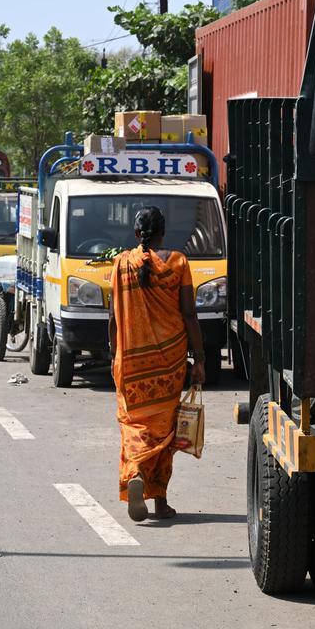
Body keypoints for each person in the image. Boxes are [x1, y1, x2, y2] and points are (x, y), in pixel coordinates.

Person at [108, 206, 205, 522]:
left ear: (137, 234)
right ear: (164, 231)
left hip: (132, 363)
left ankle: (135, 471)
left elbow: (112, 319)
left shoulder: (121, 263)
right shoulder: (178, 263)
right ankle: (160, 501)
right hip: (169, 363)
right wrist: (200, 359)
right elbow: (189, 314)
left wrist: (114, 356)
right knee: (165, 431)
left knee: (134, 424)